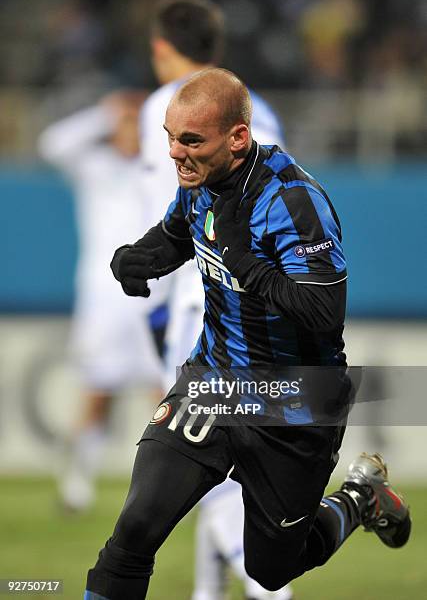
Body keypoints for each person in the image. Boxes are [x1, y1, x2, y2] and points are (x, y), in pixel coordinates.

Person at [85, 69, 411, 600]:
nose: (175, 152)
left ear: (237, 137)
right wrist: (139, 259)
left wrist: (244, 261)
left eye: (191, 140)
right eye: (170, 136)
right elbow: (177, 234)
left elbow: (324, 311)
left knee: (271, 570)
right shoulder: (199, 181)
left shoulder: (294, 202)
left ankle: (359, 500)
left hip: (295, 400)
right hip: (213, 381)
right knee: (134, 530)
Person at [140, 0, 292, 599]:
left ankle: (270, 593)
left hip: (202, 309)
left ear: (160, 48)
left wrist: (153, 308)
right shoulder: (258, 117)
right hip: (265, 311)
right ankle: (209, 593)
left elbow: (166, 222)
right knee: (225, 456)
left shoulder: (166, 113)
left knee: (208, 462)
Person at [38, 92, 164, 511]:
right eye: (124, 126)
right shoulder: (96, 167)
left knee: (164, 395)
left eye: (136, 126)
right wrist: (103, 113)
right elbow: (51, 144)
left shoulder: (160, 170)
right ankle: (77, 484)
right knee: (98, 390)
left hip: (153, 298)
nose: (130, 134)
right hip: (104, 301)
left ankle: (167, 487)